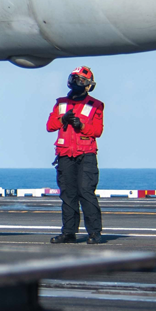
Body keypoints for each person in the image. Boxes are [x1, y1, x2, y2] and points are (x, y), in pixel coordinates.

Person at [47, 66, 106, 244]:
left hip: (86, 154)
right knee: (68, 194)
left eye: (81, 80)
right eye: (74, 79)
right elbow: (50, 126)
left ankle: (94, 233)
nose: (76, 83)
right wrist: (62, 120)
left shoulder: (96, 105)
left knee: (86, 192)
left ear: (88, 85)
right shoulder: (60, 103)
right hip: (65, 154)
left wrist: (81, 125)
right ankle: (69, 232)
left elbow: (97, 130)